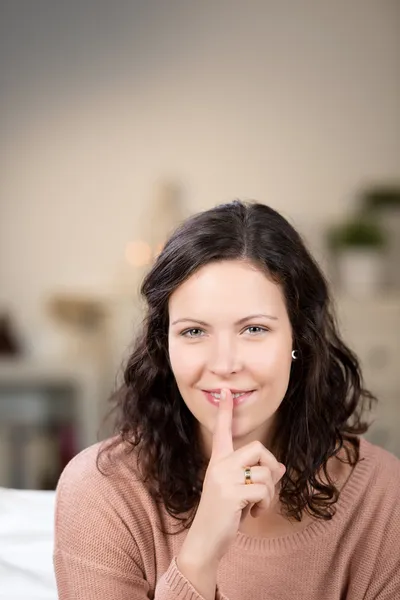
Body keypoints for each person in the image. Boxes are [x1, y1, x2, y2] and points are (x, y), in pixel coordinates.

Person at [53, 200, 400, 600]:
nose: (224, 364)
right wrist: (200, 554)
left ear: (298, 340)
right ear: (164, 346)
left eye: (253, 329)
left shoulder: (382, 495)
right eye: (194, 332)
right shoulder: (102, 492)